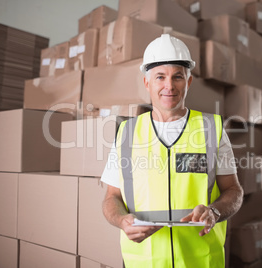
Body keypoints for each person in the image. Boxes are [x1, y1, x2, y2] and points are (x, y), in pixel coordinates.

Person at [101, 34, 243, 268]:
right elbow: (111, 198)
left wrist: (214, 212)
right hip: (144, 263)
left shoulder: (211, 129)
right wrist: (121, 220)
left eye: (177, 76)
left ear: (188, 82)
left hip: (200, 261)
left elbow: (233, 191)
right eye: (160, 77)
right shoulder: (127, 133)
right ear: (147, 83)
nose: (169, 86)